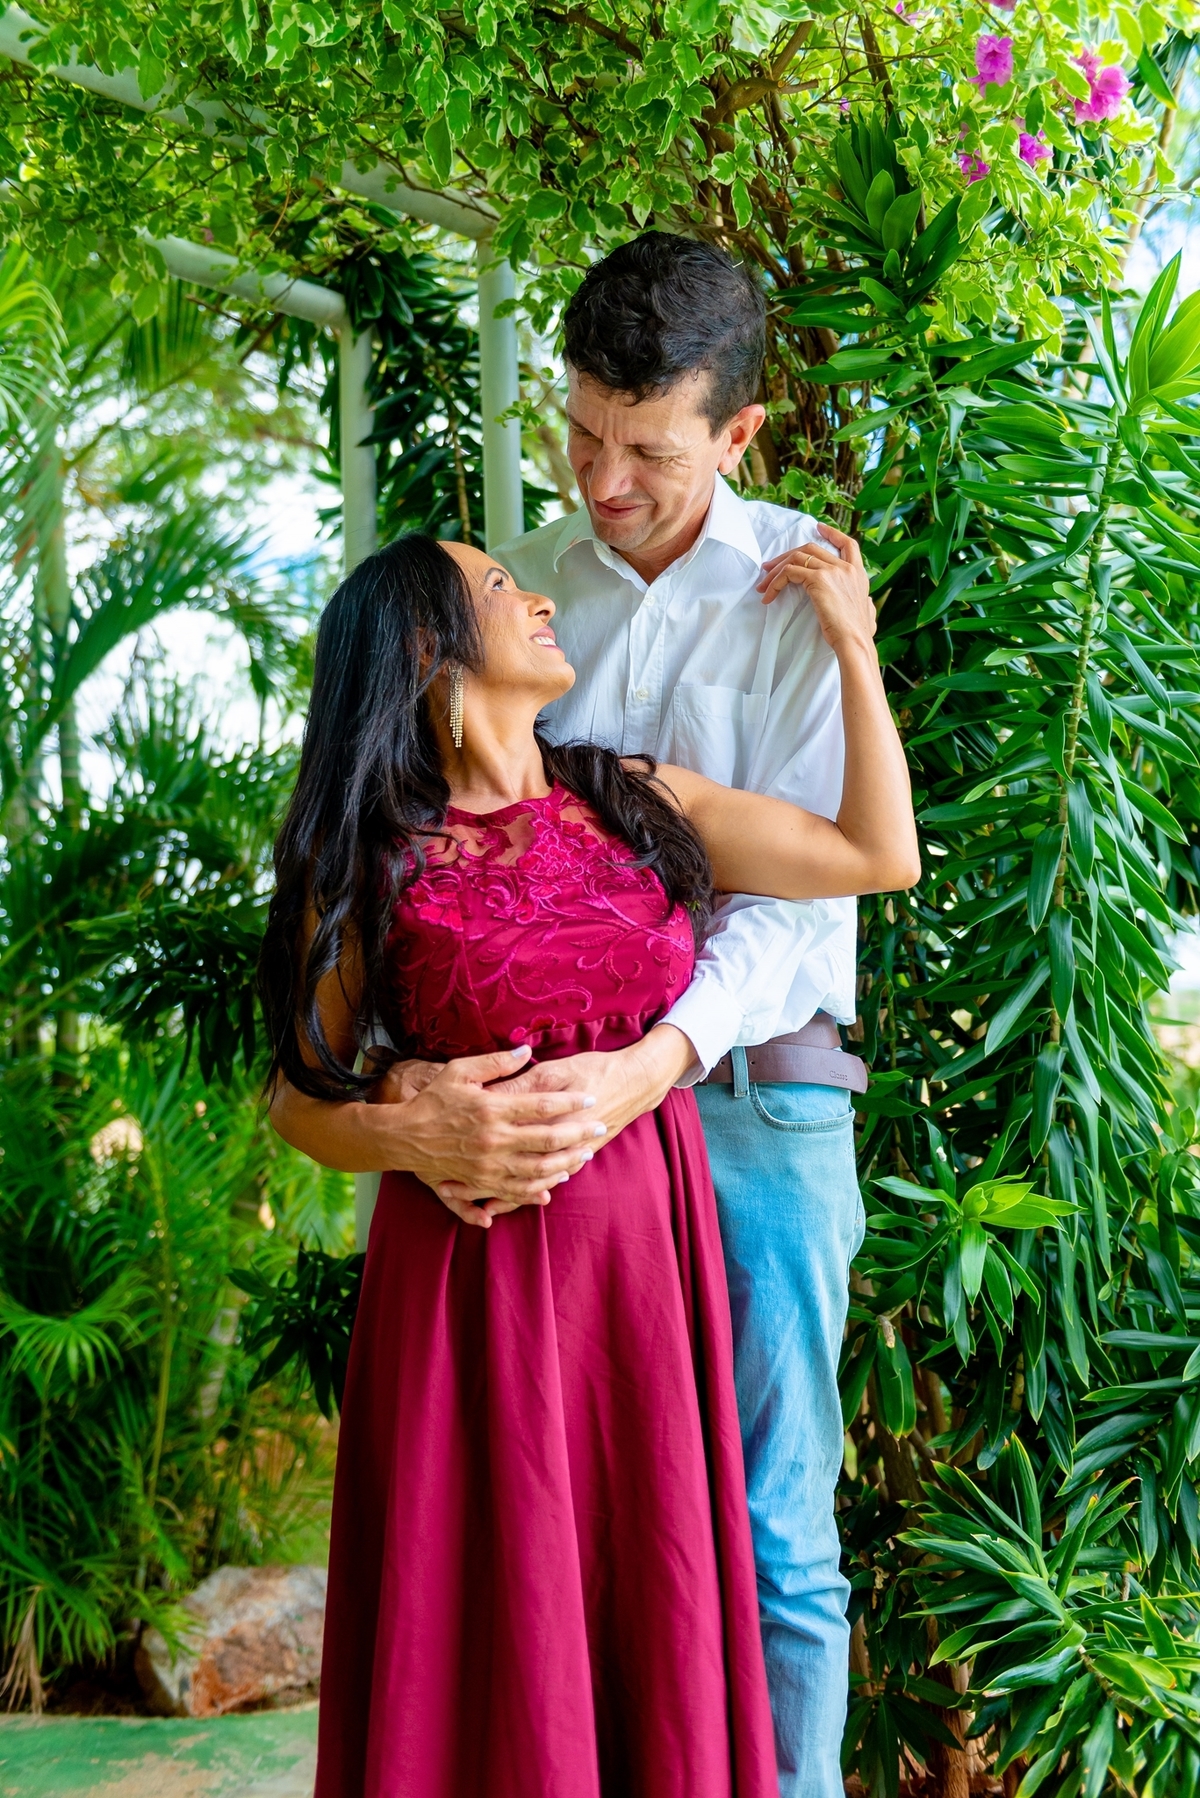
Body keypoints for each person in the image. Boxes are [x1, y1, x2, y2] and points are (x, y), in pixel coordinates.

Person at [263, 530, 916, 1798]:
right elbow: (299, 1095)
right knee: (494, 1615)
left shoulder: (630, 793)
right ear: (424, 647)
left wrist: (855, 645)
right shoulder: (370, 852)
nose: (537, 593)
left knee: (651, 1584)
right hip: (473, 1291)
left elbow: (874, 856)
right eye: (498, 588)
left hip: (643, 1271)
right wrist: (405, 1126)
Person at [495, 233, 873, 1798]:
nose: (600, 482)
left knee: (777, 1530)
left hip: (760, 1105)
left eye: (645, 450)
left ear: (735, 435)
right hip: (571, 1111)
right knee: (588, 1523)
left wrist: (660, 1052)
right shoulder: (521, 584)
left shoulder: (803, 593)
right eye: (579, 433)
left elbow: (811, 895)